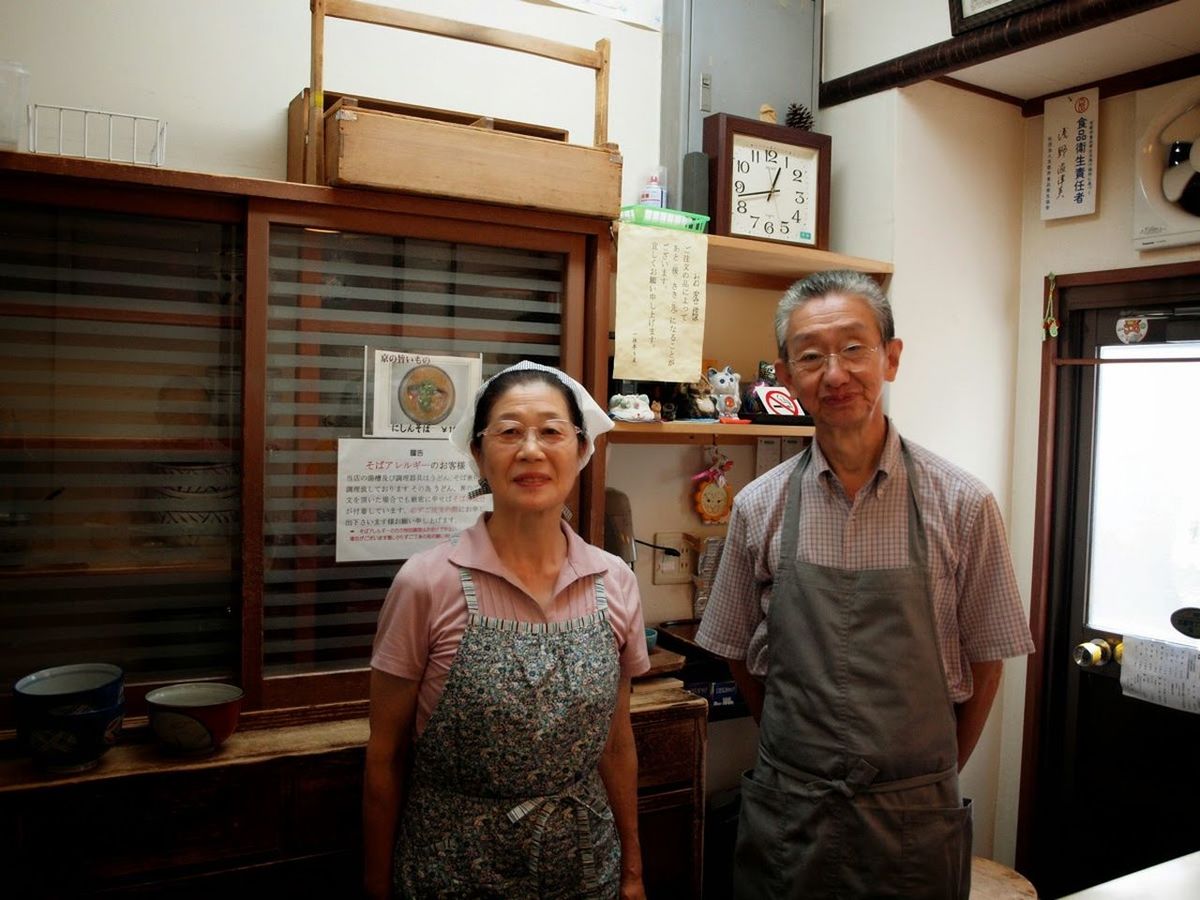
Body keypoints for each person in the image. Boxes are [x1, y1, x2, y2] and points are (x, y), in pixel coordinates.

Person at [695, 270, 1035, 899]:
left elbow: (988, 662)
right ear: (787, 374)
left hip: (914, 818)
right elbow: (739, 649)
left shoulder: (963, 503)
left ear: (892, 358)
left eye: (854, 348)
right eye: (812, 355)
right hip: (790, 815)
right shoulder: (757, 506)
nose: (835, 373)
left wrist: (928, 775)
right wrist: (794, 756)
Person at [363, 360, 650, 900]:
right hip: (451, 870)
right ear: (478, 453)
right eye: (510, 431)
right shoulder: (426, 583)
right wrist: (377, 887)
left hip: (587, 868)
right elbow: (385, 757)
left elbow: (616, 744)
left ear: (581, 449)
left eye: (551, 431)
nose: (531, 450)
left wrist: (632, 874)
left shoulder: (615, 581)